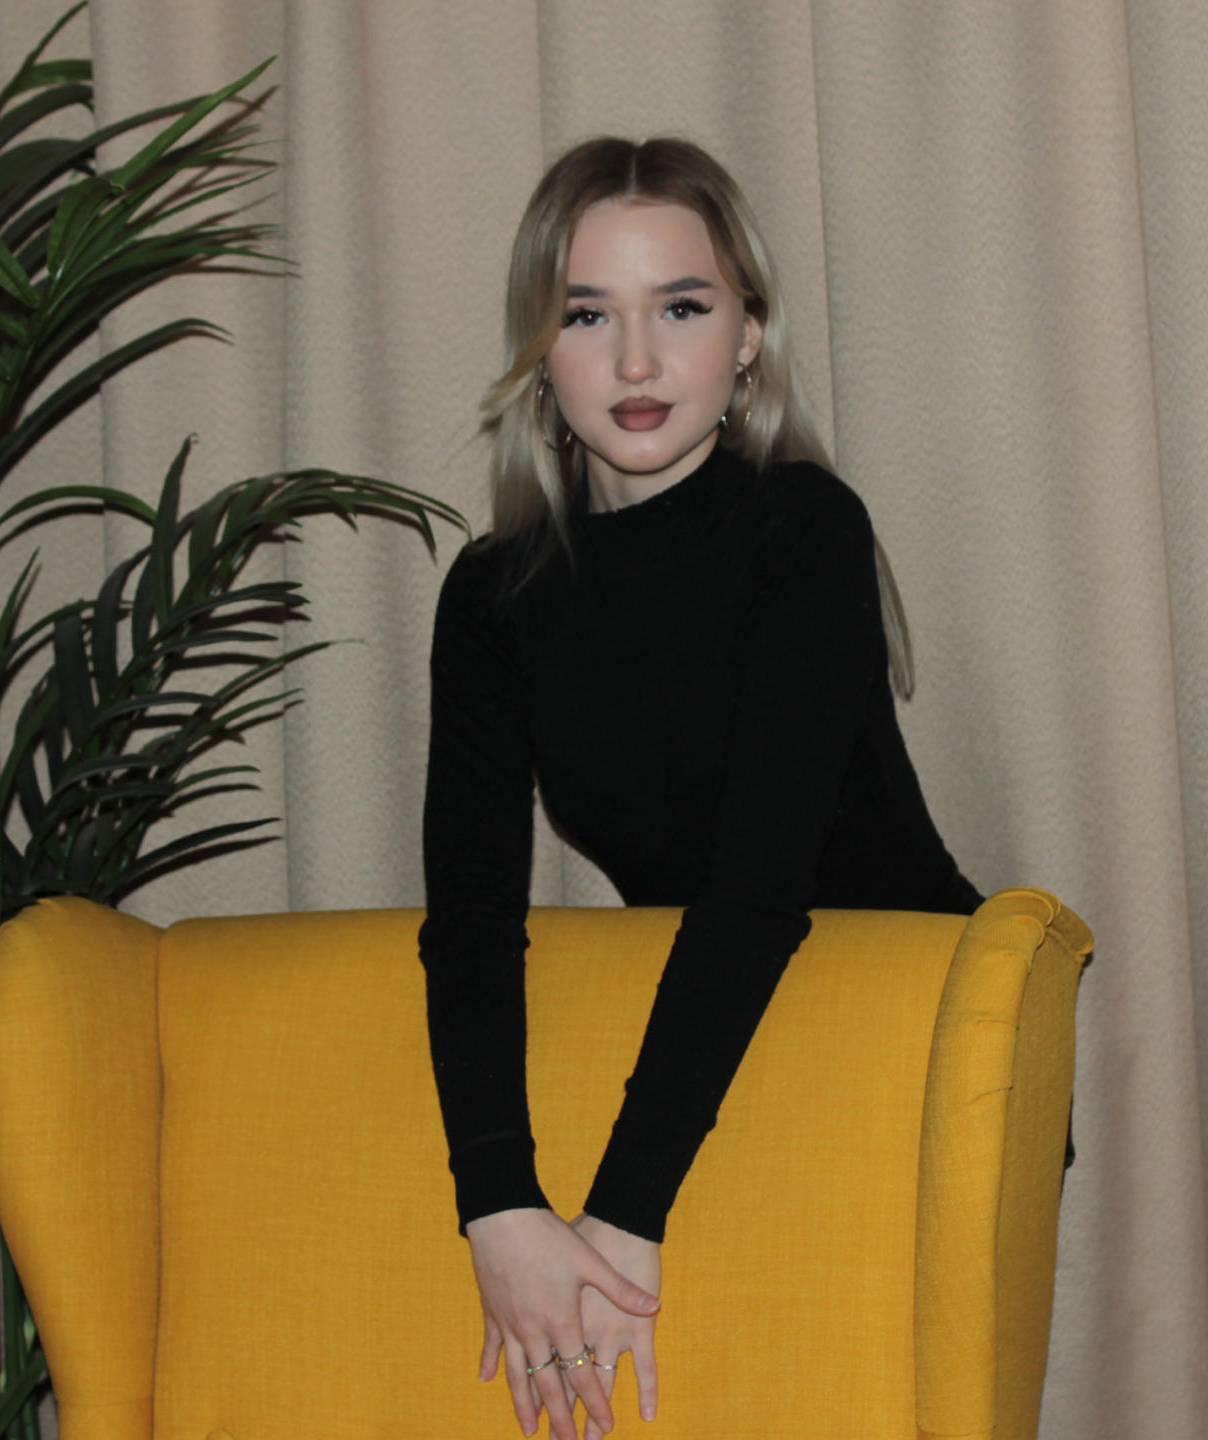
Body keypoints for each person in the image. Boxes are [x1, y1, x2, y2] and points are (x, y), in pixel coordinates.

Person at [419, 136, 983, 1440]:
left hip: (913, 1038)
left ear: (746, 338)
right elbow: (472, 917)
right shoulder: (494, 598)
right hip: (720, 1063)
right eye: (586, 316)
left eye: (680, 308)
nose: (634, 362)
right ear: (540, 354)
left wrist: (623, 1209)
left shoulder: (804, 529)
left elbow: (756, 887)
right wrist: (497, 1202)